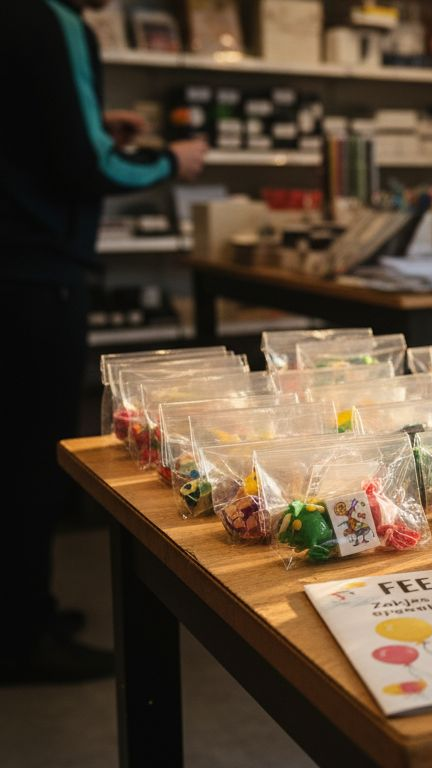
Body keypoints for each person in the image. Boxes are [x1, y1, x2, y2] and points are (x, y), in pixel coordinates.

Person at [0, 0, 207, 683]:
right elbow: (90, 167)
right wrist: (170, 159)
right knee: (30, 459)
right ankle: (22, 636)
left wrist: (92, 128)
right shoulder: (50, 19)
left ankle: (20, 614)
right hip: (35, 275)